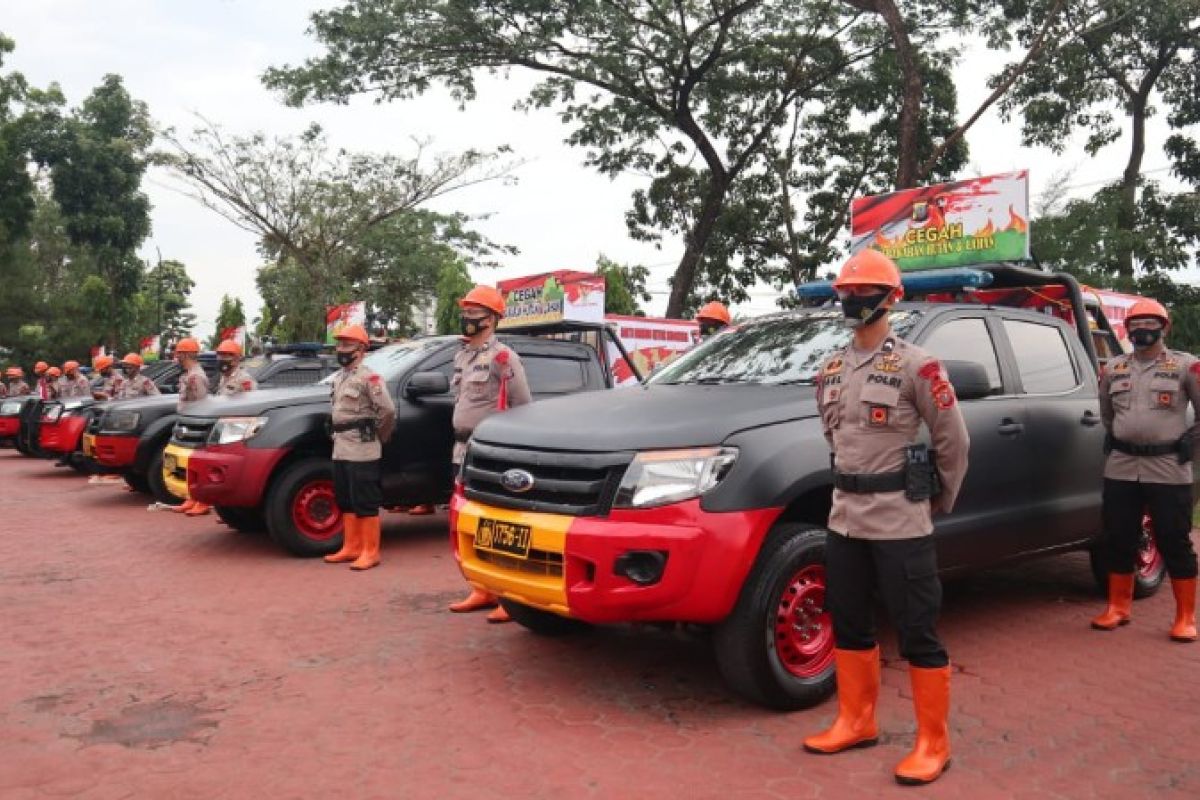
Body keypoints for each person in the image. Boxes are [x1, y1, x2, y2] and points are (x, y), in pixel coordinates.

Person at [802, 249, 970, 786]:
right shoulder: (829, 369)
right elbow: (835, 438)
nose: (852, 300)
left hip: (900, 519)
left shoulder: (919, 365)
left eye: (864, 292)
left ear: (891, 298)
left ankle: (933, 742)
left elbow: (953, 441)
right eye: (846, 292)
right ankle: (857, 720)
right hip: (844, 518)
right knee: (848, 622)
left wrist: (938, 499)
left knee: (917, 630)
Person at [1092, 298, 1198, 643]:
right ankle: (1118, 607)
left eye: (1150, 324)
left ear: (1164, 327)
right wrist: (1120, 436)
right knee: (1117, 537)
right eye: (1136, 325)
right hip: (1122, 465)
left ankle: (1185, 617)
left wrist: (1190, 441)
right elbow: (1107, 413)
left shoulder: (1185, 366)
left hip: (1168, 465)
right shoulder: (1113, 368)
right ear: (1127, 330)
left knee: (1173, 539)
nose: (1142, 330)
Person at [446, 285, 533, 623]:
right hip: (463, 450)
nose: (466, 318)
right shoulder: (463, 355)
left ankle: (506, 596)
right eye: (465, 311)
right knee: (468, 521)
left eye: (473, 312)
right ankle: (481, 588)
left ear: (492, 318)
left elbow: (522, 407)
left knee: (496, 524)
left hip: (492, 454)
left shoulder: (503, 358)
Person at [322, 324, 396, 571]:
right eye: (339, 344)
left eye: (347, 345)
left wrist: (379, 437)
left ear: (361, 349)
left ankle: (370, 551)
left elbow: (387, 411)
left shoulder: (369, 377)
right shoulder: (340, 377)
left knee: (365, 500)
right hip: (341, 446)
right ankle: (351, 547)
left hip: (362, 446)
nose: (341, 349)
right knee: (345, 498)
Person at [172, 338, 212, 516]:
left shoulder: (196, 377)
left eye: (179, 353)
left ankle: (202, 500)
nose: (177, 356)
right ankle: (192, 497)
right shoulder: (188, 375)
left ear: (187, 354)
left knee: (197, 464)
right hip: (186, 423)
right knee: (186, 462)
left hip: (196, 426)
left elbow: (201, 404)